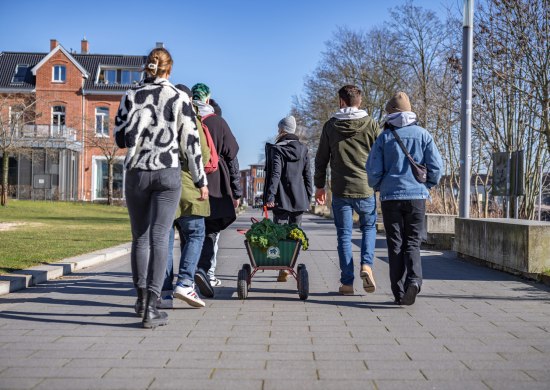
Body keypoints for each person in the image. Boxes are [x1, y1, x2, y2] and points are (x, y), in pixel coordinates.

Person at [114, 48, 207, 328]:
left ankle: (141, 299)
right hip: (167, 172)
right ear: (170, 70)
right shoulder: (179, 98)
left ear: (148, 68)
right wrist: (201, 180)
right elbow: (191, 143)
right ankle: (152, 307)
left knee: (139, 237)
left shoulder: (130, 96)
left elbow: (121, 138)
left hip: (137, 172)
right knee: (160, 236)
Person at [366, 92, 442, 305]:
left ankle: (399, 293)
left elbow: (373, 171)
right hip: (416, 197)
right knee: (413, 242)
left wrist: (381, 186)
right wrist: (425, 186)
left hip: (391, 198)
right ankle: (415, 281)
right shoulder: (423, 134)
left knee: (395, 244)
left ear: (390, 113)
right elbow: (436, 167)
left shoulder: (385, 137)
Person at [314, 85, 380, 296]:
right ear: (359, 101)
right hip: (366, 188)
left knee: (344, 235)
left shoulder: (330, 126)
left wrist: (319, 186)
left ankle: (347, 284)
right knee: (368, 228)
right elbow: (381, 154)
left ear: (342, 101)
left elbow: (321, 159)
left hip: (341, 189)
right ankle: (367, 265)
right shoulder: (371, 125)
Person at [159, 84, 211, 309]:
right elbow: (202, 153)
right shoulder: (190, 118)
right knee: (195, 234)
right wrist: (201, 183)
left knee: (165, 241)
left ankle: (164, 293)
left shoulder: (159, 118)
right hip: (188, 184)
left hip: (160, 183)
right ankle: (186, 282)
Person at [191, 83, 242, 298]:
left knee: (191, 229)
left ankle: (188, 274)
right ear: (208, 99)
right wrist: (236, 190)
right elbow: (232, 156)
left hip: (188, 181)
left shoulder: (183, 118)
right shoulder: (218, 123)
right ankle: (202, 269)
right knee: (210, 230)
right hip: (214, 183)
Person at [264, 115, 312, 281]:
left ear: (282, 130)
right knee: (295, 233)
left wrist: (270, 195)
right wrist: (309, 197)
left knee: (280, 233)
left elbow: (275, 175)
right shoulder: (304, 149)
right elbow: (307, 175)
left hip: (281, 199)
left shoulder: (278, 149)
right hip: (300, 199)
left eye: (279, 129)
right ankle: (290, 264)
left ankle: (283, 267)